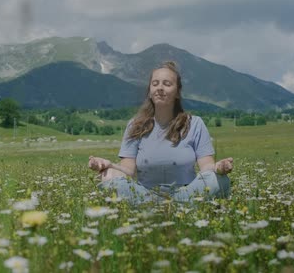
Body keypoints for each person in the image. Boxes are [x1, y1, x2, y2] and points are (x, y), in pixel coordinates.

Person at [89, 61, 233, 205]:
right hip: (145, 194)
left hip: (187, 193)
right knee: (108, 176)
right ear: (150, 91)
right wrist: (110, 165)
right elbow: (128, 171)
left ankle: (166, 207)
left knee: (220, 180)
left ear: (177, 92)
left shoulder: (195, 124)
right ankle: (164, 207)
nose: (160, 88)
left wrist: (218, 168)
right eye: (155, 83)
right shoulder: (135, 125)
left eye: (167, 84)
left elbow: (206, 168)